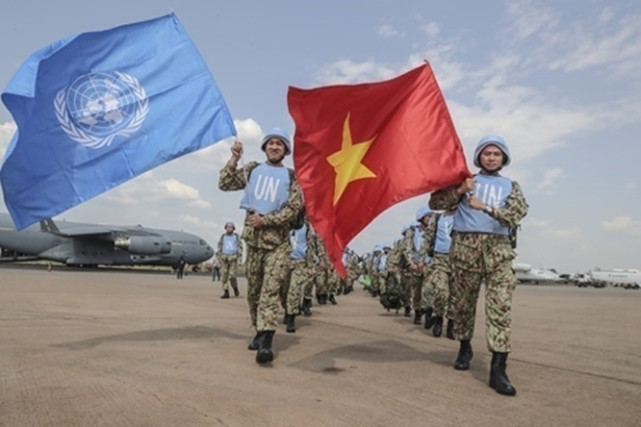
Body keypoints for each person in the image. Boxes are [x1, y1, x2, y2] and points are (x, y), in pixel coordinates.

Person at [429, 135, 528, 396]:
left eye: (497, 154)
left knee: (500, 306)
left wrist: (486, 208)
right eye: (487, 153)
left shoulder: (511, 186)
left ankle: (498, 369)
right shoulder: (465, 180)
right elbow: (435, 203)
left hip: (498, 252)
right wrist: (461, 191)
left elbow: (516, 214)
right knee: (463, 304)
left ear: (504, 158)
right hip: (465, 251)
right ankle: (464, 346)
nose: (492, 157)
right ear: (479, 157)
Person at [218, 128, 303, 364]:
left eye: (280, 144)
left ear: (286, 150)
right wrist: (234, 158)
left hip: (278, 245)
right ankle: (258, 329)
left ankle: (266, 341)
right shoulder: (252, 168)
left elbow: (294, 208)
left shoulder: (292, 176)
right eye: (271, 143)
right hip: (254, 243)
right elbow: (224, 183)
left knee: (270, 291)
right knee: (254, 292)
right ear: (265, 147)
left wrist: (266, 220)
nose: (275, 146)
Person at [419, 208, 456, 339]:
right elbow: (428, 237)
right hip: (440, 257)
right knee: (441, 291)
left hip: (458, 258)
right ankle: (439, 319)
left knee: (455, 295)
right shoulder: (438, 217)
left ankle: (451, 324)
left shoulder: (464, 213)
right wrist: (421, 259)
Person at [283, 213, 316, 332]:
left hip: (300, 262)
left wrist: (310, 265)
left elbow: (310, 247)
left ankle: (291, 317)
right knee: (284, 290)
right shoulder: (285, 225)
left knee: (294, 289)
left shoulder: (306, 228)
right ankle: (287, 310)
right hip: (285, 262)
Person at [216, 221, 243, 299]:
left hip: (233, 258)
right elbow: (220, 247)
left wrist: (239, 259)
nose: (229, 228)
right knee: (224, 276)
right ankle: (226, 292)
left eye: (230, 227)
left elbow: (240, 248)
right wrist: (218, 257)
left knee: (232, 276)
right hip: (224, 258)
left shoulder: (236, 237)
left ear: (233, 228)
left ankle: (235, 287)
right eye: (227, 227)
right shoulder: (223, 237)